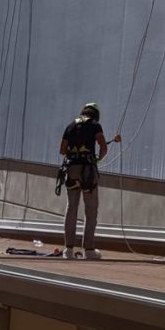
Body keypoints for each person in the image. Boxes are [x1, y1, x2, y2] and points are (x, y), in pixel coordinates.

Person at [58, 100, 108, 259]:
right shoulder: (95, 125)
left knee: (71, 207)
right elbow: (103, 146)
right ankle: (89, 250)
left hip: (72, 170)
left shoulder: (70, 126)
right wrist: (97, 158)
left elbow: (62, 149)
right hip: (88, 171)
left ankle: (68, 250)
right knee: (90, 209)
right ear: (96, 114)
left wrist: (74, 154)